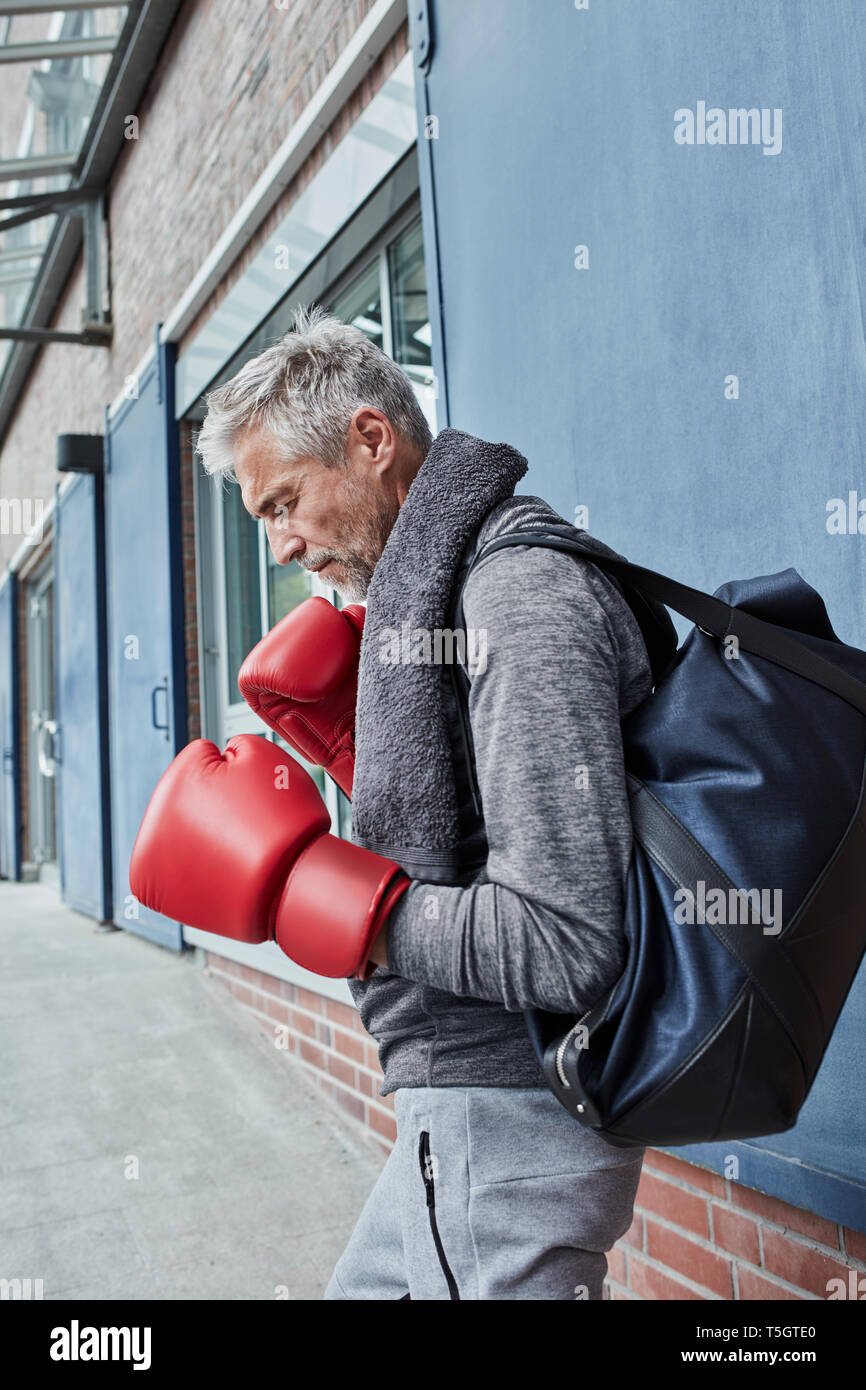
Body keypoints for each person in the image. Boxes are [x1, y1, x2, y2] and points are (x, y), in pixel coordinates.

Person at [133, 302, 658, 1300]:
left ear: (370, 438)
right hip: (461, 1108)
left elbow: (569, 944)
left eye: (282, 502)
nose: (281, 546)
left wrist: (329, 902)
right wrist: (355, 747)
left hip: (506, 1122)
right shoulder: (438, 608)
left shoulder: (513, 599)